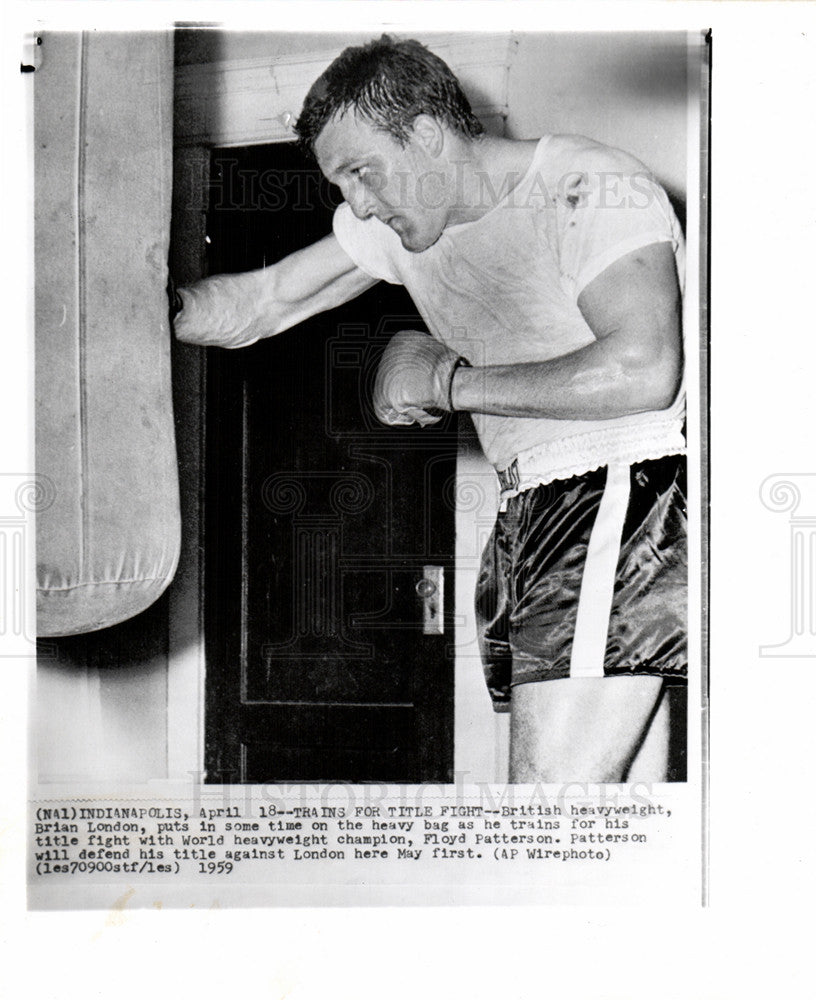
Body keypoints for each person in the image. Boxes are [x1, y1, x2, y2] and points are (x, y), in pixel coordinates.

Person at [174, 35, 687, 783]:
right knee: (620, 826)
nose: (355, 202)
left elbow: (643, 369)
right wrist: (135, 304)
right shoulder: (399, 231)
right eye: (341, 183)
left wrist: (448, 383)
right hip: (537, 506)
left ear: (425, 135)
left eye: (361, 172)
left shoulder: (587, 184)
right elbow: (260, 302)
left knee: (548, 814)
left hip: (616, 486)